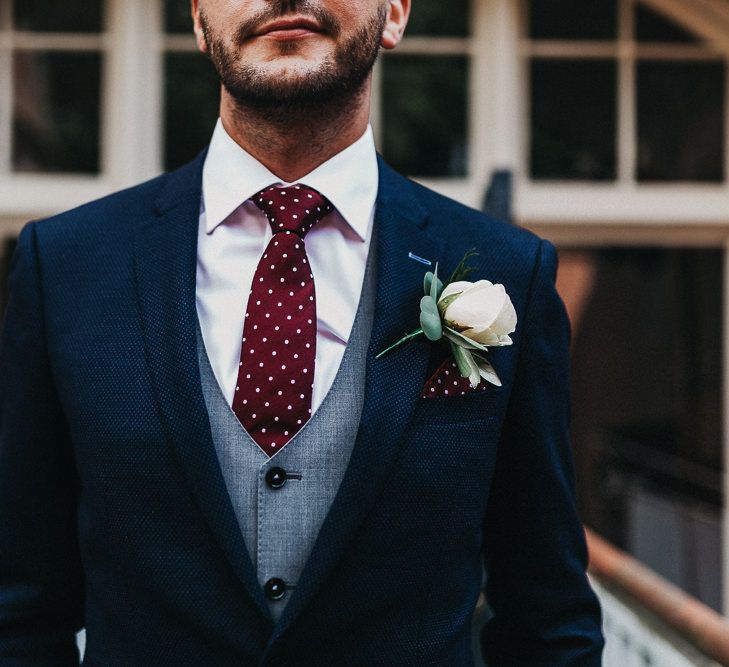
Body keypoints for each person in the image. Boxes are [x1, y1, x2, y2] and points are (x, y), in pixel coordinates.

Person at [0, 0, 604, 664]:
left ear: (396, 13)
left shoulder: (508, 272)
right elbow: (21, 611)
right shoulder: (64, 267)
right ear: (200, 19)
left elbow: (548, 620)